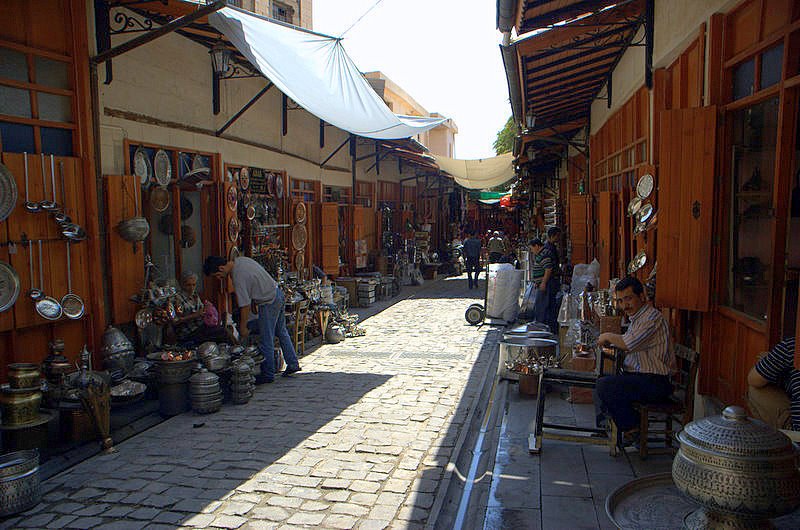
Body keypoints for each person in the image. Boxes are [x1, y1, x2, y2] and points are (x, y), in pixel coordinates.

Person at [594, 276, 674, 435]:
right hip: (641, 376)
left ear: (642, 297)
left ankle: (633, 427)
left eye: (629, 299)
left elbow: (628, 344)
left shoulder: (651, 318)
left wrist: (608, 336)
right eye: (621, 301)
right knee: (601, 379)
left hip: (654, 381)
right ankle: (607, 426)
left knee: (605, 385)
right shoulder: (637, 318)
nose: (625, 305)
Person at [203, 255, 301, 383]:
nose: (219, 278)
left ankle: (268, 374)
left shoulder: (238, 276)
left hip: (268, 301)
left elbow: (244, 306)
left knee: (267, 338)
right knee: (281, 331)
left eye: (217, 275)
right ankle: (293, 363)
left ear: (221, 268)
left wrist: (243, 327)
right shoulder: (241, 260)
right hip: (277, 293)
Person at [747, 337, 798, 431]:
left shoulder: (792, 346)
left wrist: (771, 360)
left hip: (797, 435)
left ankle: (772, 436)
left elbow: (753, 379)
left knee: (756, 389)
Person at [171, 271, 228, 346]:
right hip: (188, 332)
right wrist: (195, 315)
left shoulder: (194, 295)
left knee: (224, 330)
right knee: (222, 332)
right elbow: (175, 321)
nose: (191, 288)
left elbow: (201, 310)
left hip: (200, 326)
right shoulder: (177, 299)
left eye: (193, 285)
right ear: (182, 285)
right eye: (188, 285)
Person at [528, 238, 552, 327]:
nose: (532, 251)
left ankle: (541, 325)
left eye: (532, 248)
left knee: (542, 306)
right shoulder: (540, 254)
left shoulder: (544, 254)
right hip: (540, 283)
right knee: (539, 304)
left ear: (537, 246)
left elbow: (548, 269)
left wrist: (543, 283)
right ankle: (539, 323)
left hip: (544, 284)